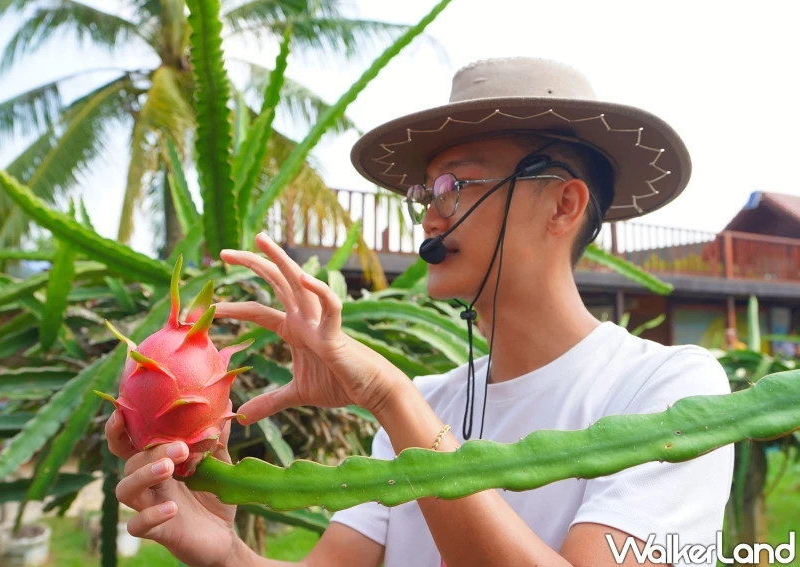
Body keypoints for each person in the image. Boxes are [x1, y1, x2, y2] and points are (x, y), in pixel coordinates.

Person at [106, 57, 733, 567]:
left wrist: (391, 397)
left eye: (454, 187)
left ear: (564, 205)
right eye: (424, 194)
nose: (429, 218)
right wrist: (226, 552)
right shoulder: (426, 405)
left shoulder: (669, 393)